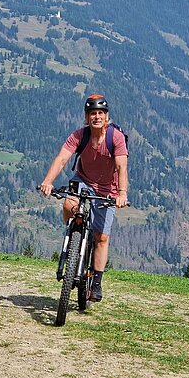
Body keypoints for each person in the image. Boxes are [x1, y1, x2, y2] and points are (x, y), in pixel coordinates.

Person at [40, 94, 129, 302]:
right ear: (86, 117)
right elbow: (62, 158)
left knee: (102, 237)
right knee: (69, 204)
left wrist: (122, 193)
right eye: (92, 113)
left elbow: (121, 166)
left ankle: (96, 282)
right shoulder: (80, 135)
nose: (96, 117)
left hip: (108, 187)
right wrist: (48, 181)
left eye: (100, 113)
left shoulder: (115, 137)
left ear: (106, 116)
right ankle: (74, 234)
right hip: (82, 179)